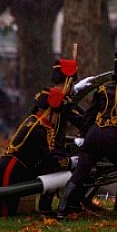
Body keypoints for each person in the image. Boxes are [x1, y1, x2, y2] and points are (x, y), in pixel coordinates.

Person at [57, 47, 117, 219]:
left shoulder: (103, 88)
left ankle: (63, 210)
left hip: (93, 134)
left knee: (79, 173)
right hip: (111, 137)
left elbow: (90, 116)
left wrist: (83, 135)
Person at [0, 87, 74, 216]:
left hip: (19, 171)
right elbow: (47, 156)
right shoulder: (36, 127)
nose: (57, 117)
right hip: (10, 170)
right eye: (56, 113)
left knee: (9, 212)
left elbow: (51, 151)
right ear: (48, 111)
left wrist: (67, 157)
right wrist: (68, 162)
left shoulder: (41, 125)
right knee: (4, 214)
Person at [35, 58, 85, 215]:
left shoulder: (45, 94)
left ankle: (46, 206)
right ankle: (70, 205)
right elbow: (81, 121)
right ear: (67, 81)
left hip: (44, 147)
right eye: (71, 83)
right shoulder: (61, 101)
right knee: (80, 165)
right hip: (52, 150)